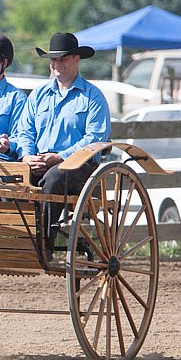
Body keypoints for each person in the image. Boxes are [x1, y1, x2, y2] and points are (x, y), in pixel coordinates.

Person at [16, 32, 112, 260]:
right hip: (38, 161)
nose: (57, 64)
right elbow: (24, 130)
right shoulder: (38, 95)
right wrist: (27, 156)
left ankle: (43, 245)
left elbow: (95, 137)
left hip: (78, 166)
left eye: (63, 59)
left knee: (54, 178)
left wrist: (59, 157)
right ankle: (9, 240)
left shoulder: (93, 97)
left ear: (76, 60)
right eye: (53, 60)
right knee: (4, 177)